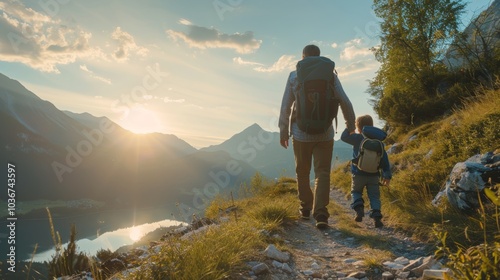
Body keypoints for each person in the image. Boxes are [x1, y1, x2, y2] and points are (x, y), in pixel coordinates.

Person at [279, 44, 356, 229]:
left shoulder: (294, 75)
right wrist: (351, 125)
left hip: (300, 133)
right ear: (319, 56)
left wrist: (283, 131)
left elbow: (286, 106)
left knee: (302, 172)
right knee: (322, 172)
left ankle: (305, 209)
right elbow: (345, 101)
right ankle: (321, 214)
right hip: (325, 133)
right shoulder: (330, 75)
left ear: (303, 56)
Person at [340, 114, 391, 228]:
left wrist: (349, 125)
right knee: (374, 196)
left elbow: (344, 137)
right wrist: (387, 175)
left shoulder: (358, 138)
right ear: (372, 125)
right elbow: (384, 159)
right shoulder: (379, 142)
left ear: (359, 127)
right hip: (374, 175)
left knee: (356, 192)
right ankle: (377, 217)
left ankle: (359, 209)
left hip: (358, 174)